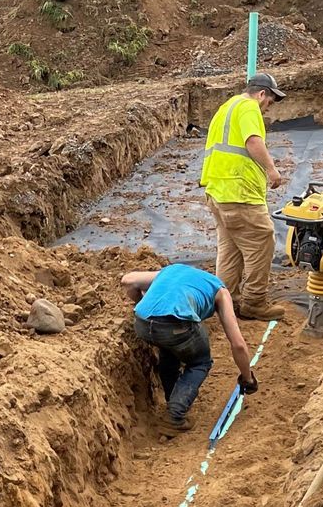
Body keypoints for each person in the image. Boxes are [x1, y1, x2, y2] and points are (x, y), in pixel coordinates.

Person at [122, 265, 257, 430]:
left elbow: (128, 281)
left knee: (168, 350)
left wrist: (142, 303)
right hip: (176, 325)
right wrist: (247, 378)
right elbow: (238, 344)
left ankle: (172, 400)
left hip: (142, 322)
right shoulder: (220, 290)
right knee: (199, 362)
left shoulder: (172, 270)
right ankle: (175, 414)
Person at [199, 72, 288, 320]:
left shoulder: (226, 107)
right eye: (270, 100)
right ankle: (254, 303)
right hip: (239, 193)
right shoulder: (249, 108)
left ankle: (224, 302)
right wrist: (272, 170)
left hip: (218, 191)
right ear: (261, 94)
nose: (268, 107)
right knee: (263, 239)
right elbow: (252, 141)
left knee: (230, 249)